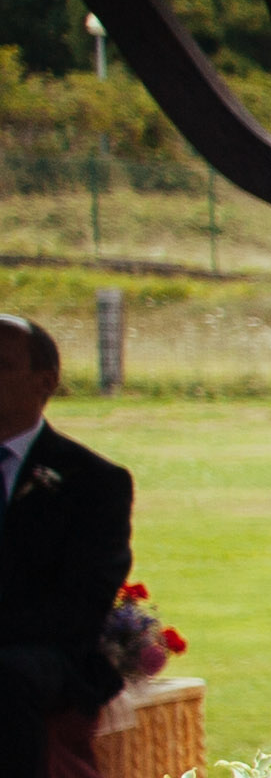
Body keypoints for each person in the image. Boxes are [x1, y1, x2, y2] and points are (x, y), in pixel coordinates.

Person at [0, 310, 136, 748]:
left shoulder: (92, 481)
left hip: (43, 653)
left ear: (45, 382)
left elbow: (81, 602)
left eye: (1, 366)